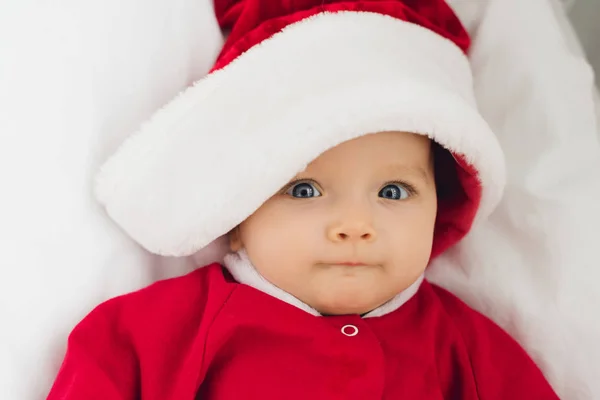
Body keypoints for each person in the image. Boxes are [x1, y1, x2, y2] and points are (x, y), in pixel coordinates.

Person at [48, 0, 559, 398]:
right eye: (304, 189)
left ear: (440, 207)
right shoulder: (155, 335)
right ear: (238, 209)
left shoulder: (469, 351)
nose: (355, 224)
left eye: (393, 191)